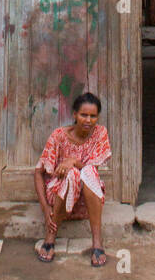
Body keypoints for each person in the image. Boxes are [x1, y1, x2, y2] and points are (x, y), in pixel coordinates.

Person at [34, 92, 111, 267]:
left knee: (87, 171)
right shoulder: (59, 136)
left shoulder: (100, 134)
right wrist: (46, 209)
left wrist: (73, 162)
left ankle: (97, 243)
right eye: (83, 115)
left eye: (93, 116)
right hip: (59, 200)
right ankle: (50, 236)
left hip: (87, 203)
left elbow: (92, 170)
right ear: (74, 114)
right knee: (73, 175)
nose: (88, 120)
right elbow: (38, 173)